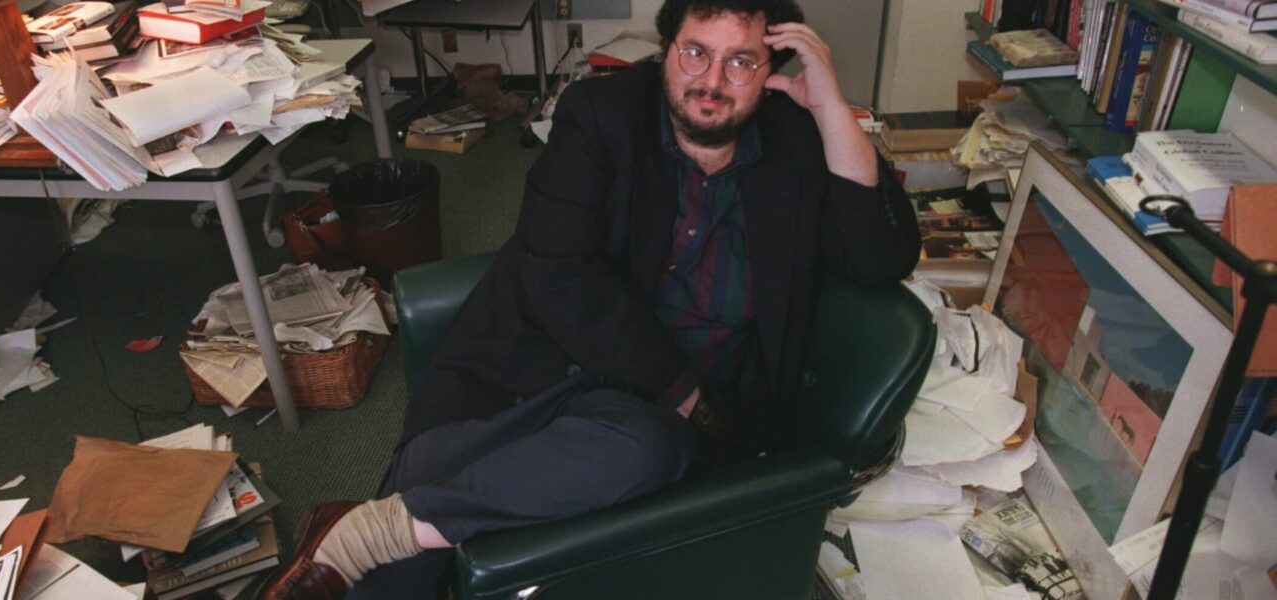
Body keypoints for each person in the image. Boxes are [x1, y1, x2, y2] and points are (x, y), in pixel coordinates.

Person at [264, 0, 919, 598]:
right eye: (696, 52)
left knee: (644, 449)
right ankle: (365, 537)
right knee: (397, 556)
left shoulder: (794, 139)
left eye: (741, 61)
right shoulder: (602, 113)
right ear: (667, 48)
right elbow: (556, 269)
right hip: (540, 373)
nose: (712, 81)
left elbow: (880, 258)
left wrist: (831, 108)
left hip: (662, 423)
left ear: (771, 68)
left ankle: (364, 530)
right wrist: (683, 396)